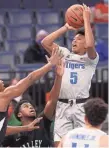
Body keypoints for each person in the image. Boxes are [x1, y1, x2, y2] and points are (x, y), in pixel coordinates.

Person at [41, 4, 99, 146]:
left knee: (83, 144)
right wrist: (66, 27)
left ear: (85, 44)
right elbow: (45, 42)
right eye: (74, 39)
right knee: (59, 144)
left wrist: (86, 20)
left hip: (81, 106)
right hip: (62, 105)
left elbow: (91, 45)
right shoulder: (65, 54)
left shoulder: (91, 59)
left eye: (79, 39)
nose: (74, 40)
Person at [0, 49, 63, 147]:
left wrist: (26, 128)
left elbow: (2, 130)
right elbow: (30, 78)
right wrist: (50, 65)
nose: (1, 81)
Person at [2, 59, 64, 147]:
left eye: (31, 106)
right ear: (19, 114)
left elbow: (52, 100)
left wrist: (59, 77)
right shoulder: (14, 134)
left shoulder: (42, 121)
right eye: (26, 106)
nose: (31, 107)